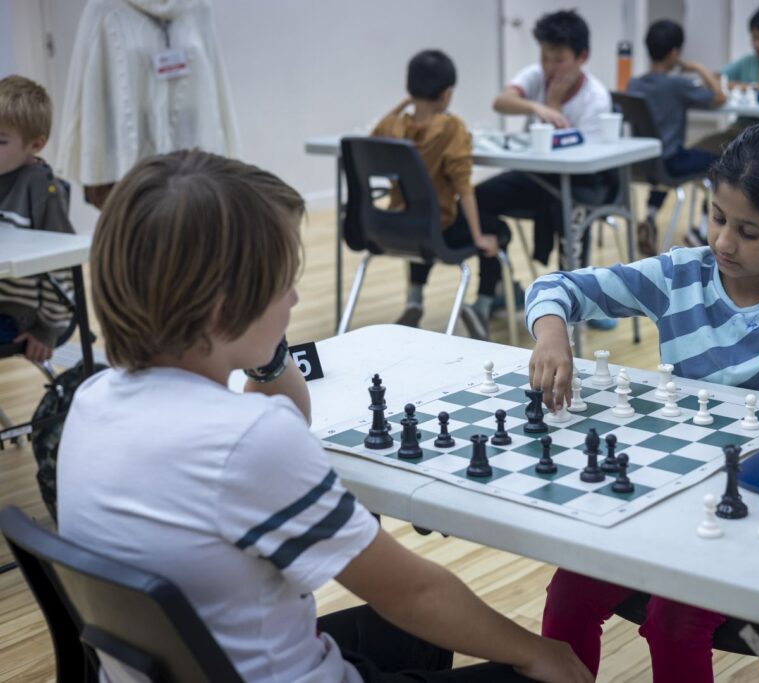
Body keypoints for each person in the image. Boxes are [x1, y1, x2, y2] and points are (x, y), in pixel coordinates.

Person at [56, 149, 592, 683]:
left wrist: (264, 351)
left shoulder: (92, 400)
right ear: (224, 310)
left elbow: (279, 422)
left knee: (412, 639)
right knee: (537, 668)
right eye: (282, 283)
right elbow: (413, 593)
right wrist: (538, 652)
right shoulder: (247, 442)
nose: (293, 298)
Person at [524, 122, 759, 682]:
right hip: (661, 493)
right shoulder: (680, 276)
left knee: (675, 619)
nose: (722, 242)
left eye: (748, 231)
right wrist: (552, 332)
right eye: (718, 218)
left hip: (754, 505)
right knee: (571, 590)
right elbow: (557, 286)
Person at [476, 8, 616, 330]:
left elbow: (575, 159)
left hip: (581, 179)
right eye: (545, 58)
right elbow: (501, 101)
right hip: (536, 175)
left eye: (559, 59)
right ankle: (496, 287)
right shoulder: (536, 76)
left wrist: (551, 105)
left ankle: (582, 298)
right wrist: (541, 105)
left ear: (582, 57)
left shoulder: (596, 98)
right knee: (477, 199)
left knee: (569, 209)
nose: (550, 67)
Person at [372, 50, 510, 340]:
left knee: (418, 214)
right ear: (447, 94)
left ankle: (414, 301)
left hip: (397, 230)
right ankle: (482, 305)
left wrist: (407, 101)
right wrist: (478, 236)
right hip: (441, 233)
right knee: (498, 229)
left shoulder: (393, 127)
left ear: (409, 89)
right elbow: (464, 188)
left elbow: (374, 136)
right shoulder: (452, 128)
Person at [55, 0, 240, 210]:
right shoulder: (103, 9)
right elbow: (90, 92)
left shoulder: (198, 7)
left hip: (196, 166)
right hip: (129, 168)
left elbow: (214, 86)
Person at [626, 19, 725, 256]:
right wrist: (698, 68)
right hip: (670, 163)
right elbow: (719, 97)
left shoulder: (633, 83)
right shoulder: (677, 85)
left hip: (639, 165)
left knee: (668, 158)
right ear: (674, 52)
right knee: (725, 162)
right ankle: (701, 229)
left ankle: (649, 216)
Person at [0, 75, 75, 362]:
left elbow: (64, 265)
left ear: (36, 144)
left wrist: (48, 329)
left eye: (1, 141)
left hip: (23, 316)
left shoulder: (42, 188)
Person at [692, 4, 759, 158]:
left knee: (742, 160)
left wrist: (735, 86)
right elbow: (713, 79)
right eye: (753, 38)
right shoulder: (747, 62)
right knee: (698, 150)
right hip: (741, 129)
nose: (755, 44)